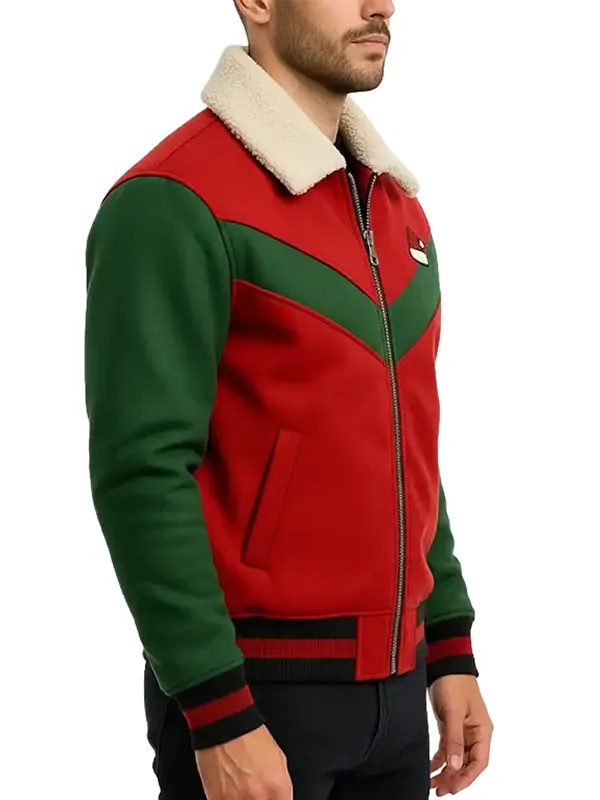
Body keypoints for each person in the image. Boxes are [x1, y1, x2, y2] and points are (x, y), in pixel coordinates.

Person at [84, 0, 493, 798]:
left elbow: (408, 443)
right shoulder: (173, 200)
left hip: (399, 691)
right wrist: (216, 710)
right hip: (257, 697)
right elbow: (142, 470)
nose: (381, 6)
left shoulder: (395, 207)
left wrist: (448, 643)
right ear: (257, 3)